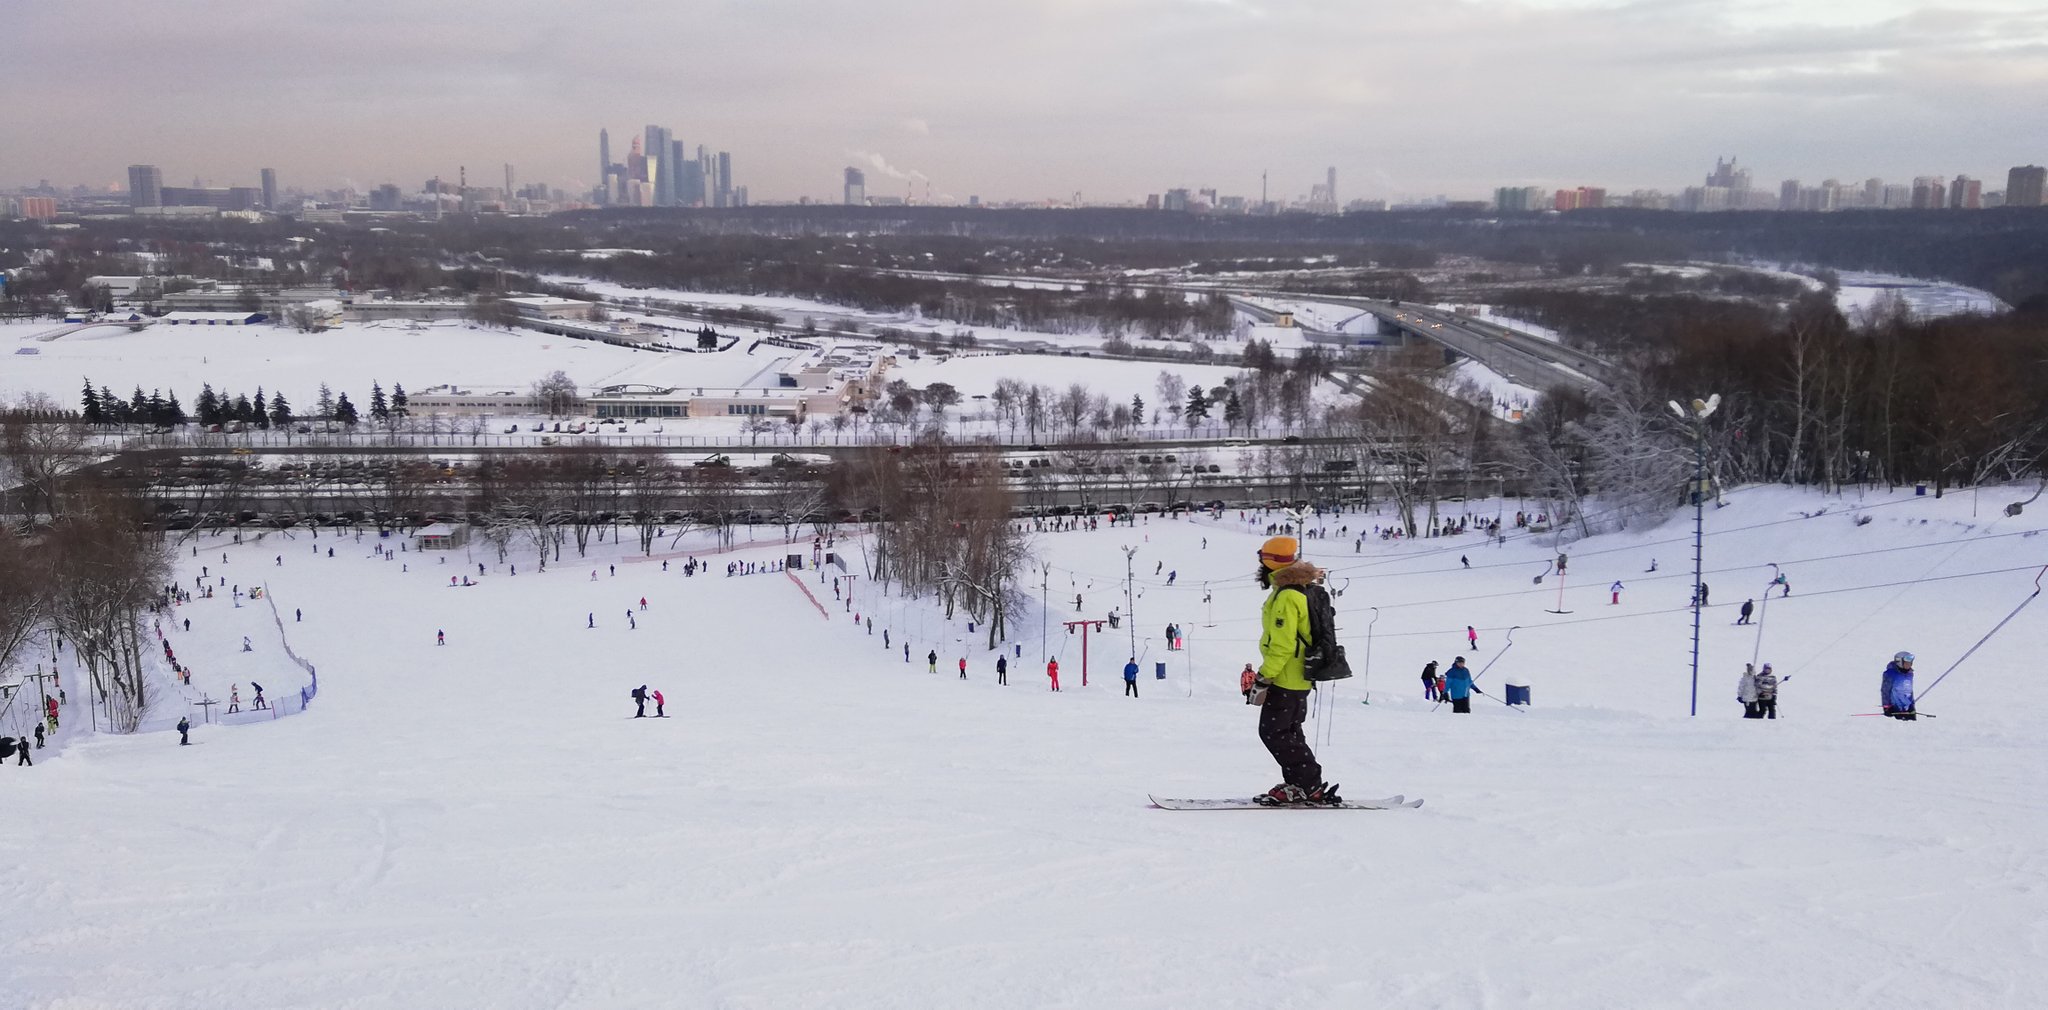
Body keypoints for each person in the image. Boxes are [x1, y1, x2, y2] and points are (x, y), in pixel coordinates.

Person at [1251, 536, 1337, 805]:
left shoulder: (1288, 595)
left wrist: (1265, 677)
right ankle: (1298, 784)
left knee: (1273, 732)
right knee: (1289, 732)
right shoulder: (1299, 589)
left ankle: (1309, 783)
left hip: (1287, 677)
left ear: (1270, 562)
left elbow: (1283, 643)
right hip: (1299, 677)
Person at [1881, 651, 1916, 720]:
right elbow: (1885, 691)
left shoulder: (1910, 673)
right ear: (1899, 662)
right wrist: (1887, 706)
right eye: (1907, 663)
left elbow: (1909, 690)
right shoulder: (1891, 674)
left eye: (1910, 663)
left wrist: (1912, 705)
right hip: (1895, 708)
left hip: (1907, 708)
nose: (1909, 665)